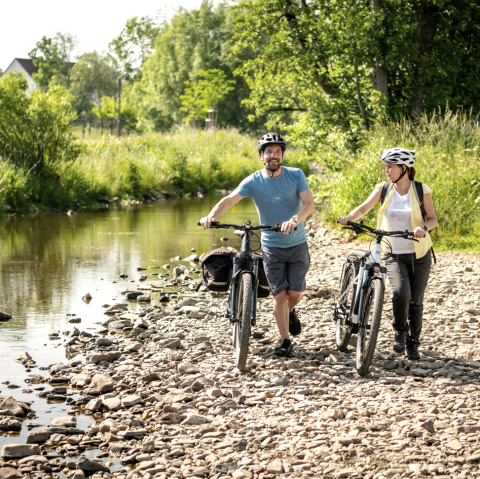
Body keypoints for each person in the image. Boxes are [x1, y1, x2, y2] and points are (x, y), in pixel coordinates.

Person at [199, 133, 315, 356]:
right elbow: (230, 199)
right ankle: (285, 341)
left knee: (296, 294)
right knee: (280, 296)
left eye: (278, 152)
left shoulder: (296, 175)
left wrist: (294, 220)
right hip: (271, 246)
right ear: (262, 156)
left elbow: (309, 204)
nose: (274, 156)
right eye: (269, 152)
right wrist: (211, 216)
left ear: (282, 156)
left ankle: (290, 313)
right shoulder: (254, 181)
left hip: (297, 244)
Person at [337, 148, 438, 360]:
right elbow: (364, 208)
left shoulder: (420, 190)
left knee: (416, 301)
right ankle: (400, 331)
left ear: (404, 168)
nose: (386, 171)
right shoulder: (384, 189)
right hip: (393, 253)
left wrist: (424, 228)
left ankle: (413, 343)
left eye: (390, 167)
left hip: (420, 254)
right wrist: (349, 216)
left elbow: (432, 219)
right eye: (386, 166)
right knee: (401, 293)